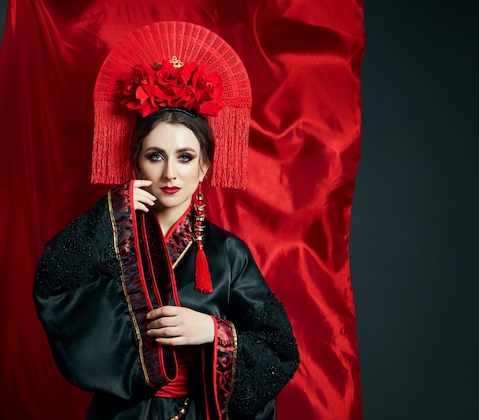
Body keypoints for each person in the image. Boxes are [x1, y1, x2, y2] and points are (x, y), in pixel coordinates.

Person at [33, 21, 298, 419]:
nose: (170, 173)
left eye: (185, 157)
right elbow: (52, 285)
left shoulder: (228, 253)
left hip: (198, 409)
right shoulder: (109, 236)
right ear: (135, 161)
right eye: (155, 156)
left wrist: (213, 332)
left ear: (205, 167)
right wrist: (111, 218)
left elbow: (280, 347)